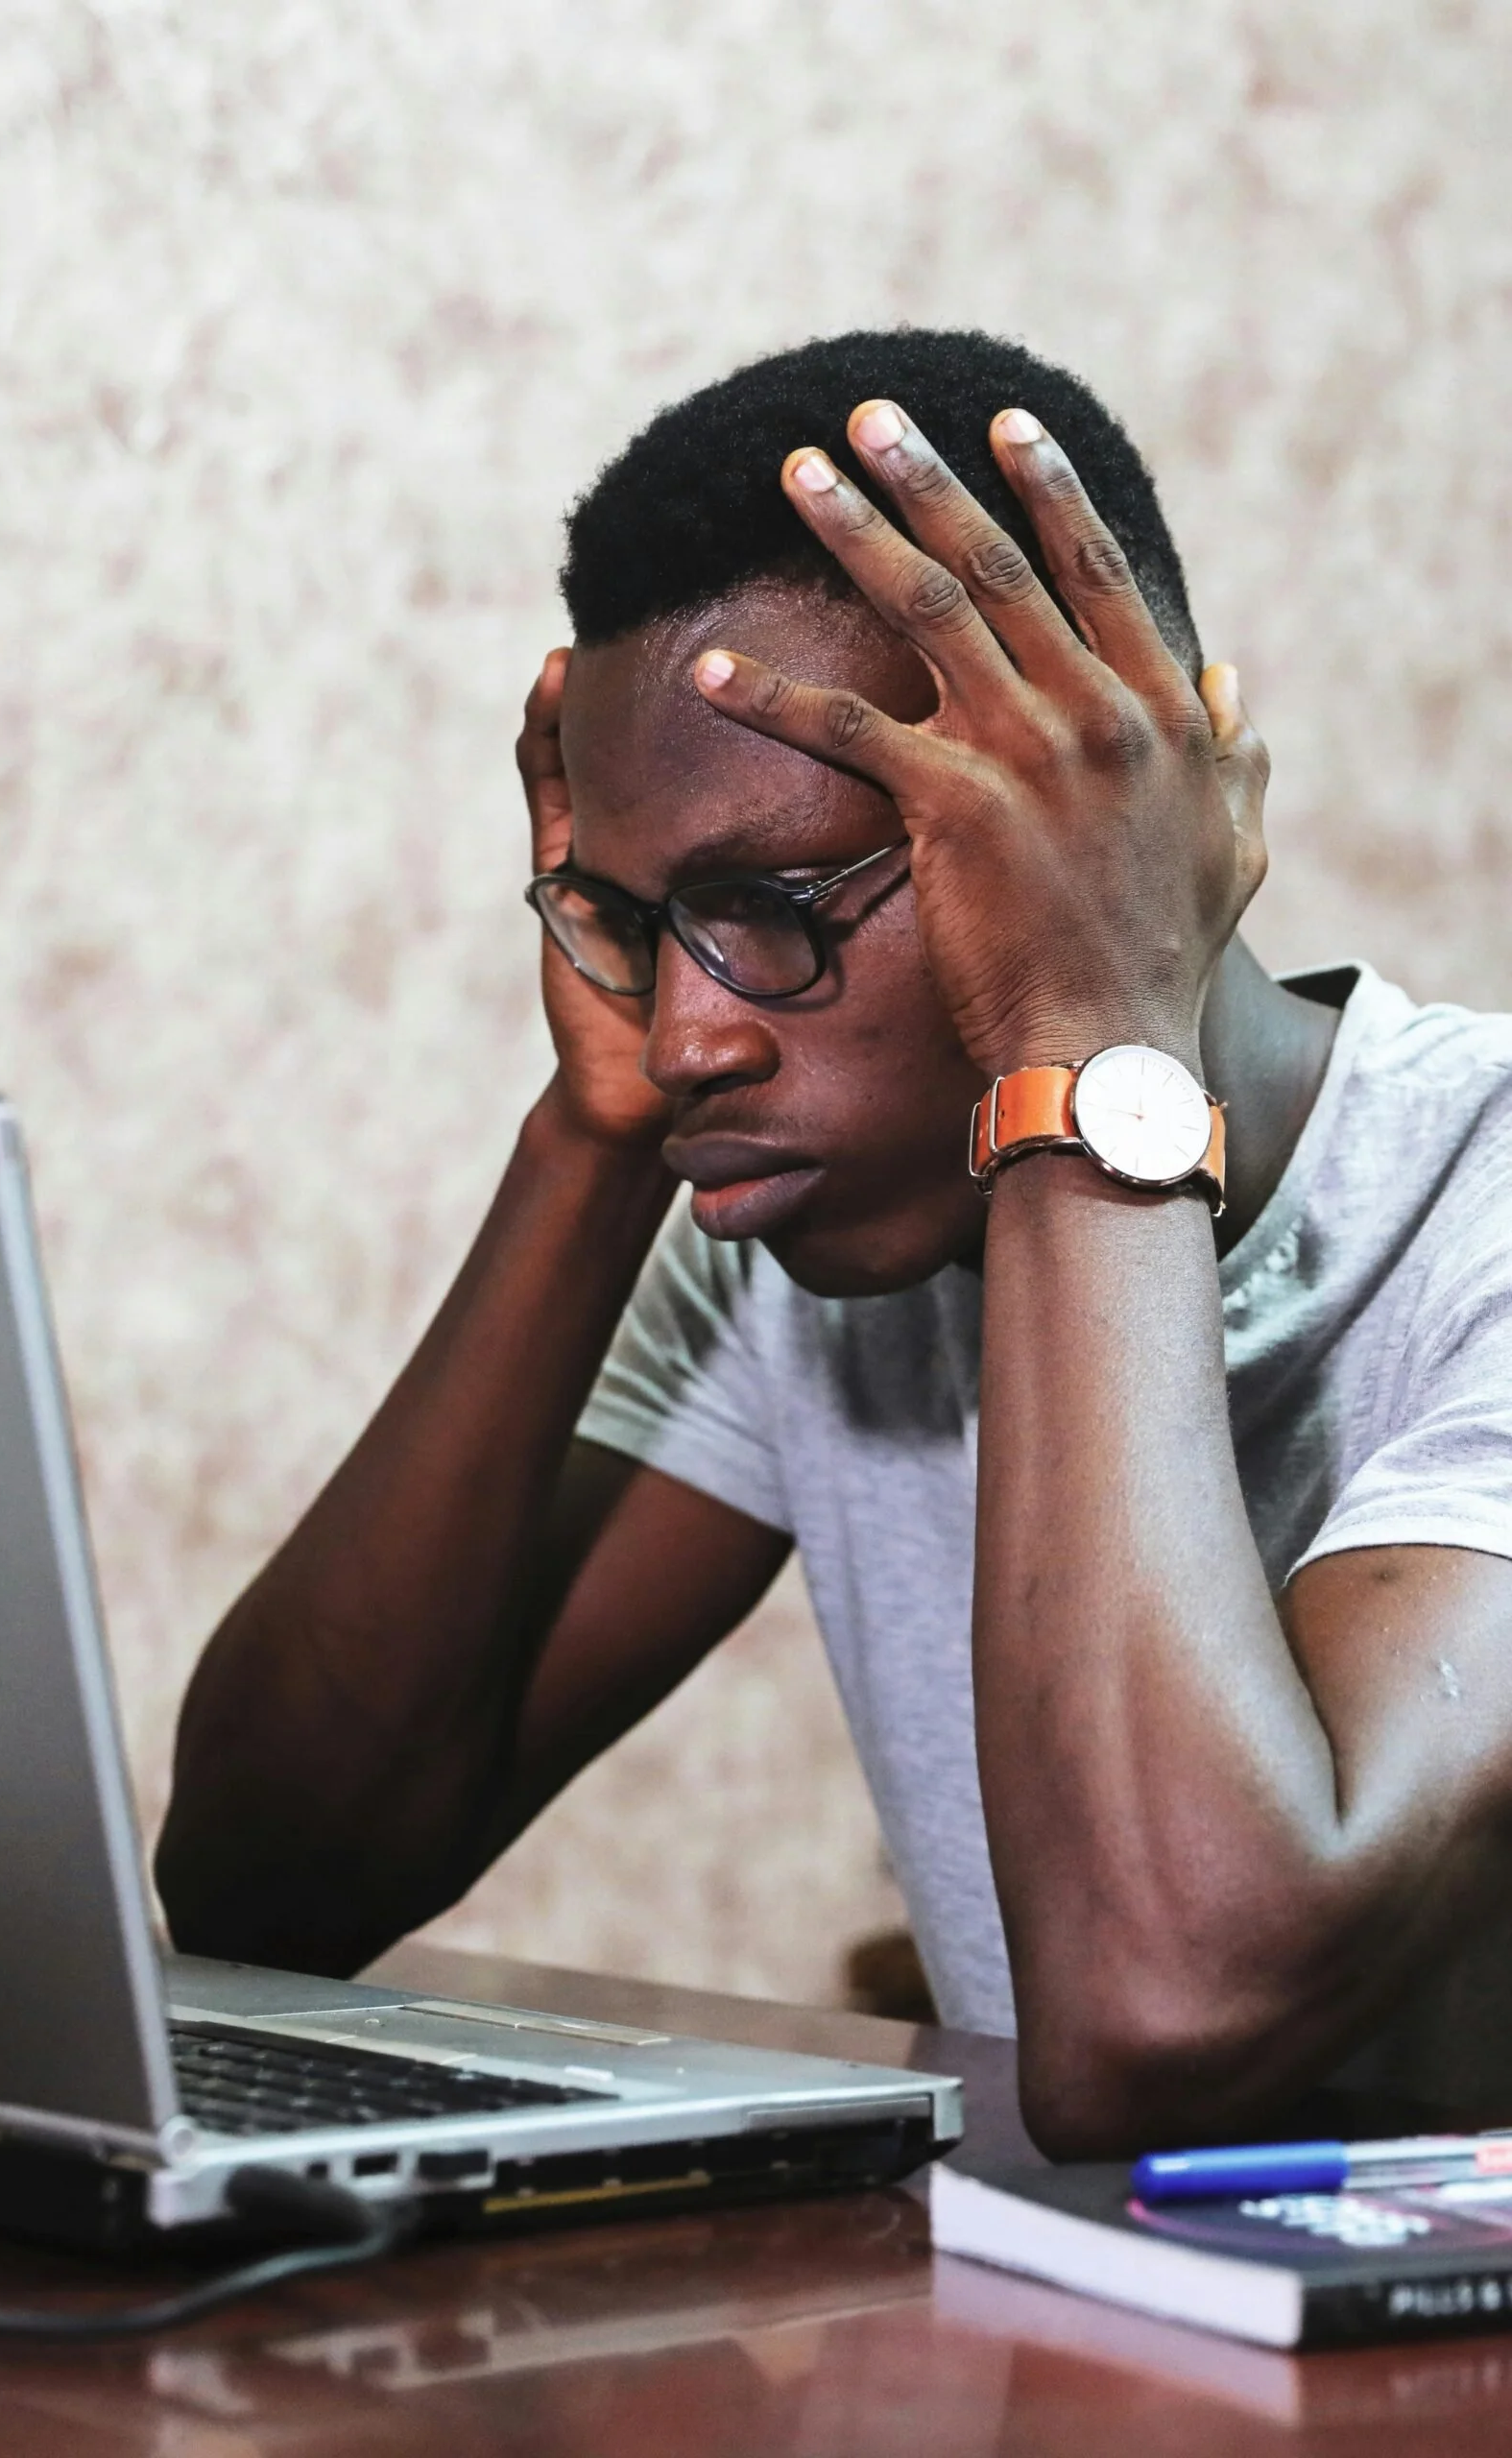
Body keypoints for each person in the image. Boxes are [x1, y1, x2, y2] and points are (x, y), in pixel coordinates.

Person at [156, 328, 1512, 2157]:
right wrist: (591, 1135)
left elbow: (1159, 2014)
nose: (695, 1032)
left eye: (774, 907)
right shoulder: (798, 1229)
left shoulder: (1477, 1201)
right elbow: (269, 1890)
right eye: (635, 924)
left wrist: (1083, 1049)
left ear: (1117, 811)